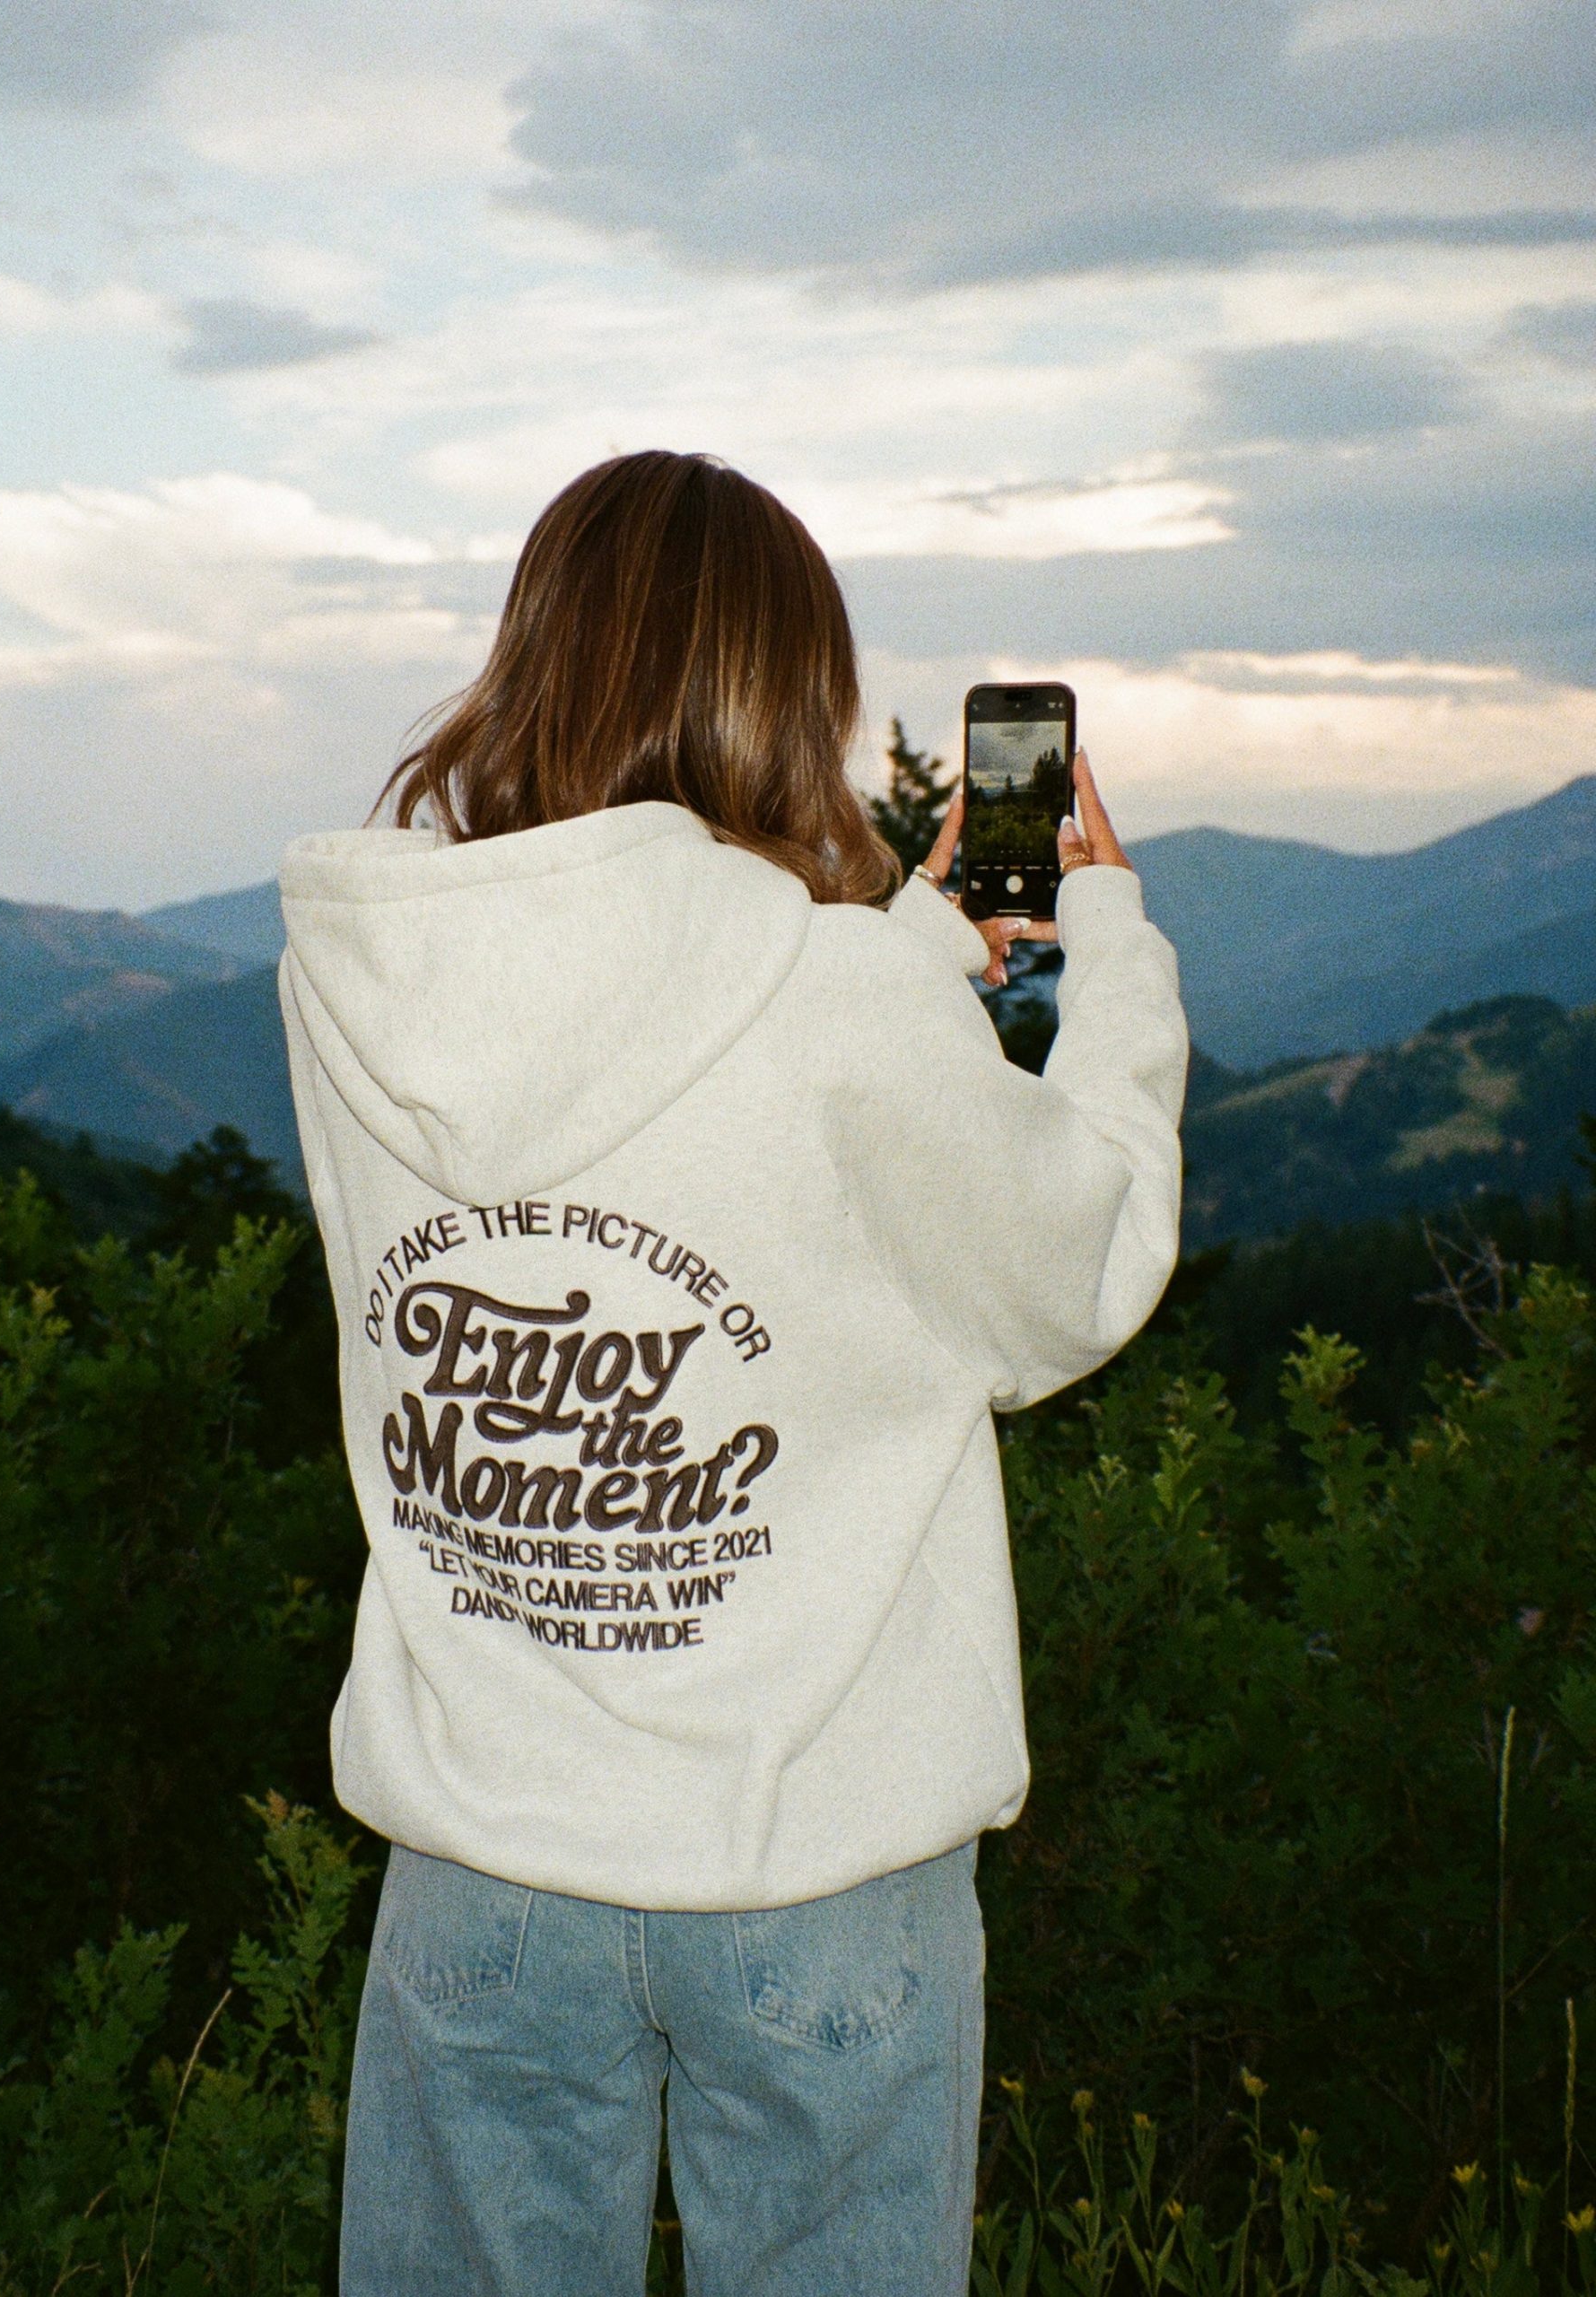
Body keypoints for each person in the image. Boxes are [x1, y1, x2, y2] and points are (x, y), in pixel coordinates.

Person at [276, 450, 1189, 2297]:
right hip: (815, 1863)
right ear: (784, 696)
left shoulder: (366, 973)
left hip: (484, 1857)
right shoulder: (837, 1003)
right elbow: (1070, 1269)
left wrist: (915, 953)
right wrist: (1110, 946)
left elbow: (678, 1081)